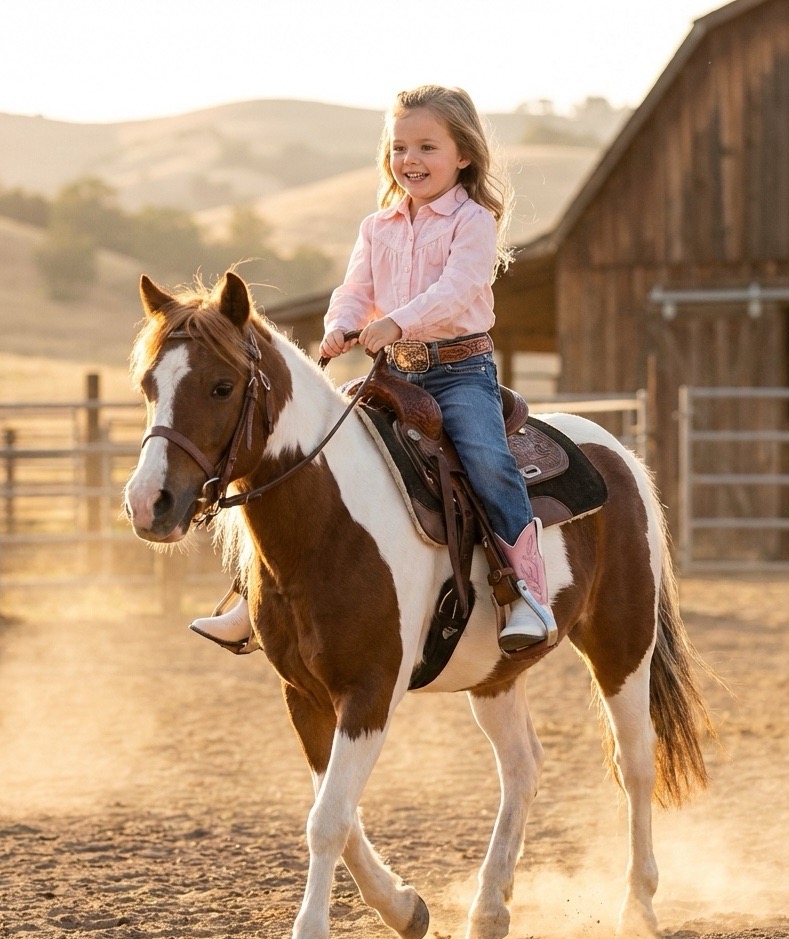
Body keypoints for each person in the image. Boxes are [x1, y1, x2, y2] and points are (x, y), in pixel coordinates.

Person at [191, 84, 555, 654]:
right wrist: (341, 324)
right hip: (394, 375)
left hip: (459, 372)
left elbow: (458, 290)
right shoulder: (377, 226)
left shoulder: (473, 220)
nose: (410, 161)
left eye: (427, 147)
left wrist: (397, 323)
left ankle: (526, 593)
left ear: (463, 154)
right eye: (399, 147)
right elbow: (356, 288)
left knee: (487, 463)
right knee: (312, 458)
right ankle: (250, 595)